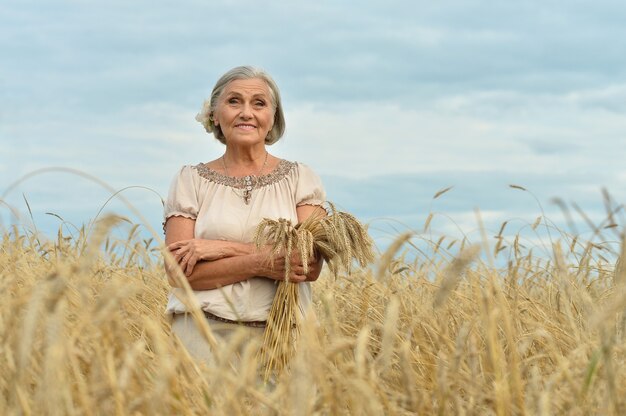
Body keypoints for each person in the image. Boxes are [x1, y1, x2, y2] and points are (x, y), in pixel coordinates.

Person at [163, 66, 326, 363]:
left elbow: (308, 265)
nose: (246, 112)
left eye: (259, 103)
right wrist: (269, 261)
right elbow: (178, 272)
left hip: (284, 334)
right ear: (215, 114)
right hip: (201, 333)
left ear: (273, 118)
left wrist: (219, 248)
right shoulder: (190, 180)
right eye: (234, 101)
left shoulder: (302, 178)